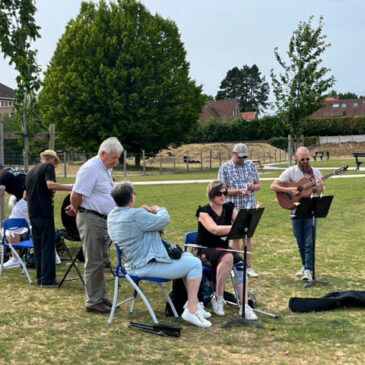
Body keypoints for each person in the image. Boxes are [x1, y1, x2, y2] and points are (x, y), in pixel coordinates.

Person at [107, 181, 212, 328]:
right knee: (195, 263)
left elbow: (132, 221)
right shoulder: (137, 215)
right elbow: (163, 220)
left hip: (132, 262)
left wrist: (141, 212)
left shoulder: (112, 215)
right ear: (131, 197)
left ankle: (193, 302)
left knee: (188, 257)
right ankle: (191, 310)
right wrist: (159, 209)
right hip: (144, 266)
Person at [69, 137, 123, 314]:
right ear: (102, 153)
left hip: (102, 219)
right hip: (91, 218)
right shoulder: (91, 168)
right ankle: (93, 300)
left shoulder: (104, 168)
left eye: (118, 158)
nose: (116, 161)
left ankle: (99, 296)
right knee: (93, 260)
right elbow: (76, 194)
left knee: (101, 259)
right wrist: (77, 210)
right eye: (114, 157)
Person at [194, 180, 257, 320]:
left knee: (241, 265)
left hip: (223, 249)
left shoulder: (229, 207)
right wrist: (238, 227)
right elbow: (214, 229)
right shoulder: (203, 212)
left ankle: (245, 306)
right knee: (228, 256)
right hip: (205, 249)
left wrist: (247, 221)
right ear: (211, 195)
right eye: (219, 193)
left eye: (225, 193)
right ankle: (218, 297)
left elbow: (241, 221)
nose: (223, 196)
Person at [270, 147, 323, 281]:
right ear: (296, 158)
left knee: (309, 242)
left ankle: (308, 270)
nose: (305, 161)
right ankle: (305, 266)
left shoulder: (315, 173)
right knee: (300, 242)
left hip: (310, 212)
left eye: (307, 159)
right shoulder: (290, 172)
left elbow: (319, 192)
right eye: (302, 159)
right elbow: (273, 186)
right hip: (295, 211)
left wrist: (320, 188)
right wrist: (289, 189)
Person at [25, 150, 73, 286]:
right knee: (47, 245)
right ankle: (47, 280)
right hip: (44, 212)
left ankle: (40, 277)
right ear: (52, 160)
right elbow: (50, 184)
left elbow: (25, 196)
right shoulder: (48, 167)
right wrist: (72, 187)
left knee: (38, 246)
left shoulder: (30, 171)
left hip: (32, 213)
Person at [218, 143, 261, 278]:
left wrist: (251, 186)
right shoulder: (225, 168)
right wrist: (238, 191)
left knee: (248, 236)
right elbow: (222, 191)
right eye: (240, 157)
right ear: (233, 153)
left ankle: (247, 266)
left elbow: (258, 185)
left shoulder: (250, 165)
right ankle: (235, 265)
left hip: (249, 205)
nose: (242, 159)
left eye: (244, 157)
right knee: (235, 236)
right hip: (233, 206)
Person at [0, 164, 28, 268]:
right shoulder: (14, 170)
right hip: (38, 198)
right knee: (40, 225)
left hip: (25, 199)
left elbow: (1, 190)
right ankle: (54, 256)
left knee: (11, 226)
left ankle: (15, 258)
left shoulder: (2, 176)